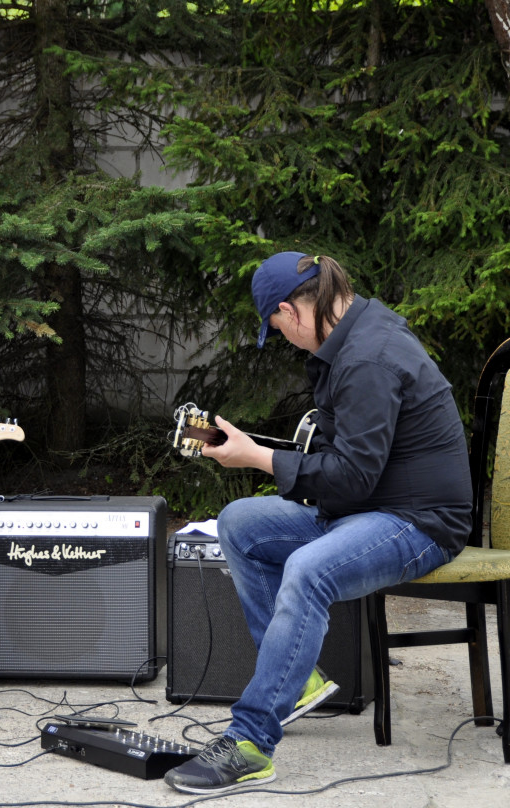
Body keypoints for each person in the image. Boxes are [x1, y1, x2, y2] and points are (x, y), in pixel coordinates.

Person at [165, 251, 471, 794]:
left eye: (277, 327)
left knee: (309, 569)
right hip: (368, 510)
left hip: (419, 523)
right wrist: (260, 452)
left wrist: (258, 458)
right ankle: (297, 679)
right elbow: (351, 463)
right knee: (240, 522)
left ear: (292, 310)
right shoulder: (356, 336)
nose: (282, 337)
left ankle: (252, 741)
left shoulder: (367, 358)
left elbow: (351, 477)